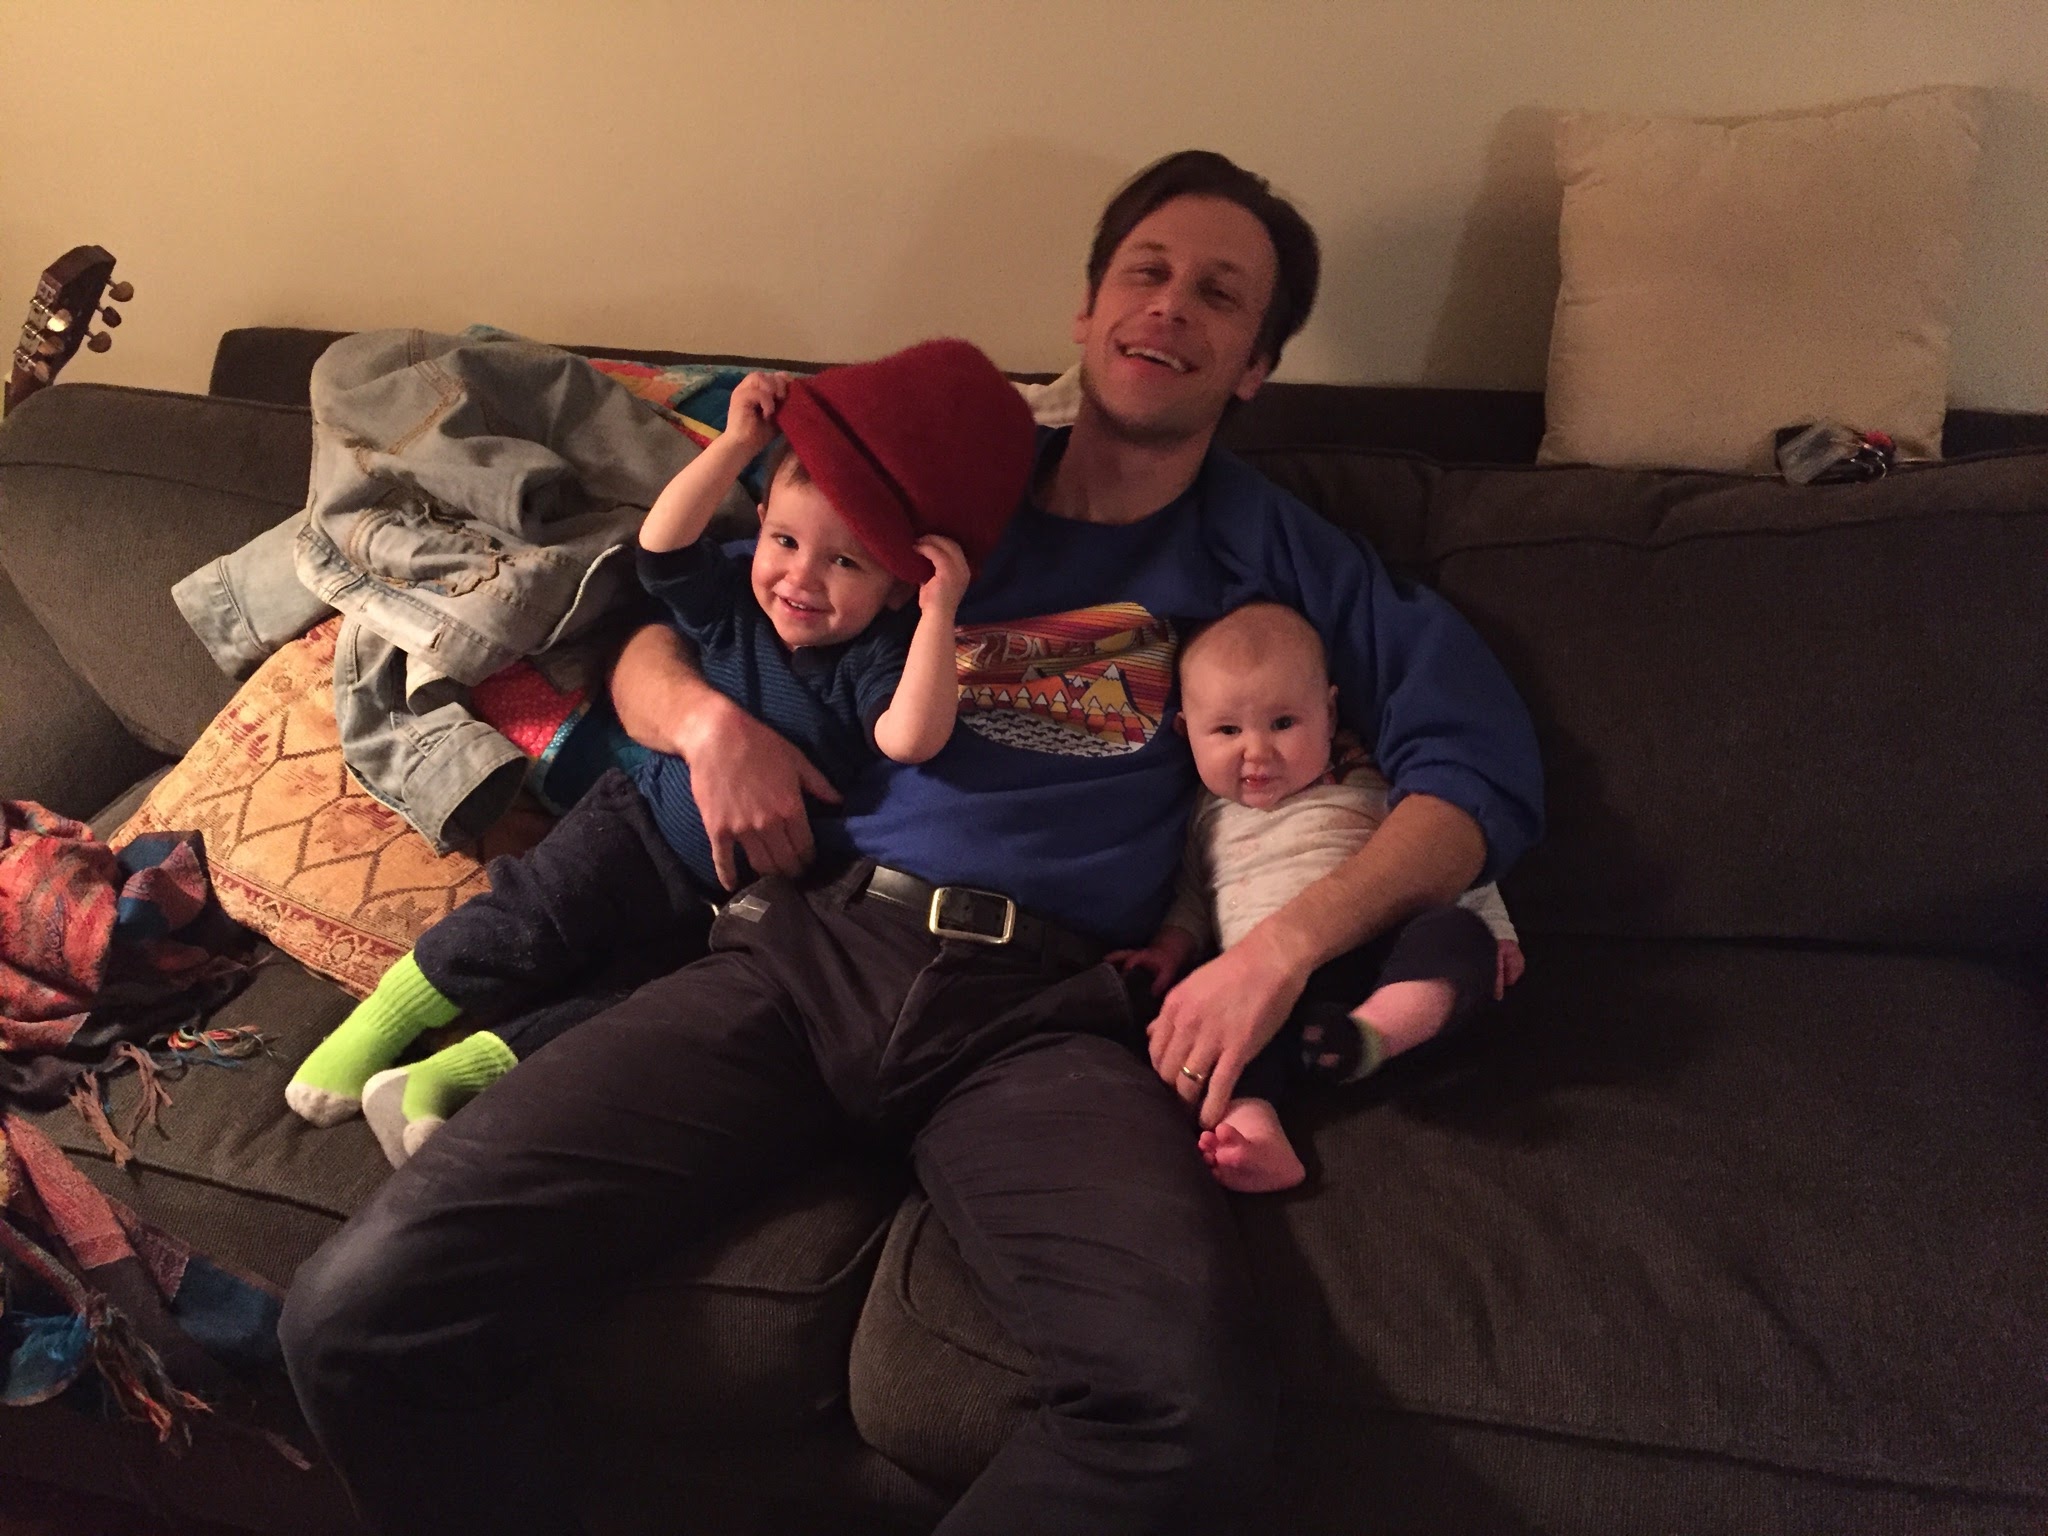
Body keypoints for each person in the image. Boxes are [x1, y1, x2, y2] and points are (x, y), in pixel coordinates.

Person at [280, 150, 1545, 1536]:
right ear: (1086, 310)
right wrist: (708, 728)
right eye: (1147, 271)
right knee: (357, 1314)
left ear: (1253, 367)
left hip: (1046, 1019)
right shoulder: (946, 475)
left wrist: (1279, 951)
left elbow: (1476, 777)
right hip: (806, 951)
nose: (1171, 307)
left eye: (1218, 295)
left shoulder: (1280, 553)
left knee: (1182, 1413)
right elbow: (657, 624)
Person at [281, 340, 1033, 1164]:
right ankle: (379, 1025)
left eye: (844, 562)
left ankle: (440, 1082)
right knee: (528, 922)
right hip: (636, 827)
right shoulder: (734, 602)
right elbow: (662, 548)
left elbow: (911, 736)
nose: (800, 579)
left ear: (894, 588)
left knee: (621, 1007)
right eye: (785, 541)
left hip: (736, 903)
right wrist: (737, 447)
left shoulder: (876, 657)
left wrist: (938, 613)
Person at [1111, 600, 1525, 1193]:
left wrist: (1498, 931)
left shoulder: (1370, 774)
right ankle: (1255, 1131)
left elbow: (1452, 859)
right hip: (1261, 998)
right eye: (1227, 731)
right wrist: (1167, 951)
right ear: (1186, 735)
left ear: (1329, 714)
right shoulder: (1204, 816)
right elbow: (1193, 901)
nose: (1257, 751)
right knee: (1209, 1031)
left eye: (1283, 723)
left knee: (1458, 938)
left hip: (1383, 955)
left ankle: (1373, 1035)